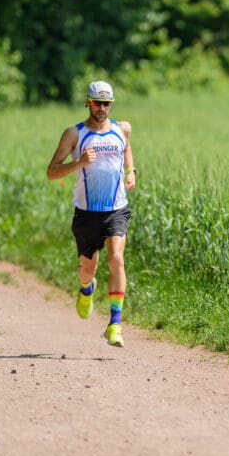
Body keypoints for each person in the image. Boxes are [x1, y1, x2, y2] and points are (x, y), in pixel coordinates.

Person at [46, 80, 136, 347]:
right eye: (97, 103)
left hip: (116, 209)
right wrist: (79, 162)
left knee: (117, 258)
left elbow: (127, 148)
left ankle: (115, 324)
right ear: (88, 102)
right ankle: (86, 289)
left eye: (107, 104)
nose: (102, 108)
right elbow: (51, 171)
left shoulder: (122, 129)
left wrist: (131, 172)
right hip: (86, 214)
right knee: (88, 269)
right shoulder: (74, 134)